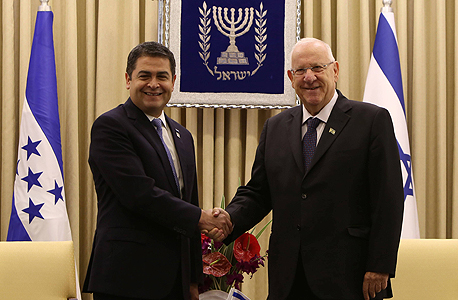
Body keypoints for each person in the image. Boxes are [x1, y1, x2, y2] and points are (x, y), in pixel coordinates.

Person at [215, 38, 404, 300]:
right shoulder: (276, 127)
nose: (309, 77)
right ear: (291, 78)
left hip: (350, 276)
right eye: (301, 71)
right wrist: (227, 220)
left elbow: (388, 199)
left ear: (335, 70)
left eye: (318, 67)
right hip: (289, 277)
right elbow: (259, 192)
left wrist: (380, 266)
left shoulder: (371, 120)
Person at [83, 41, 231, 300]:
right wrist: (202, 218)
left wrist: (194, 279)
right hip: (126, 279)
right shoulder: (111, 126)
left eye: (162, 76)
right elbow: (138, 194)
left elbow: (188, 201)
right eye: (144, 76)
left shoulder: (183, 136)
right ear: (128, 80)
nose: (154, 84)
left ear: (173, 81)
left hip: (176, 282)